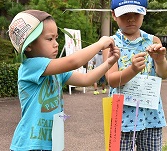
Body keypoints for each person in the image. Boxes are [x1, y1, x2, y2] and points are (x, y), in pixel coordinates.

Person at [8, 9, 120, 151]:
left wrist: (109, 63)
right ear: (29, 45)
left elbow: (86, 79)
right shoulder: (30, 66)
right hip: (29, 145)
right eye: (50, 39)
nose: (56, 44)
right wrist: (99, 44)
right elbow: (73, 62)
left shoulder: (56, 72)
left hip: (51, 143)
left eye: (56, 38)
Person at [103, 0, 167, 150]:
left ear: (144, 13)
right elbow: (111, 80)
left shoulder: (153, 41)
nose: (131, 19)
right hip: (121, 114)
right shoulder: (110, 43)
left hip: (150, 113)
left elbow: (163, 74)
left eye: (136, 13)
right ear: (114, 15)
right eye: (125, 14)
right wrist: (132, 70)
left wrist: (160, 60)